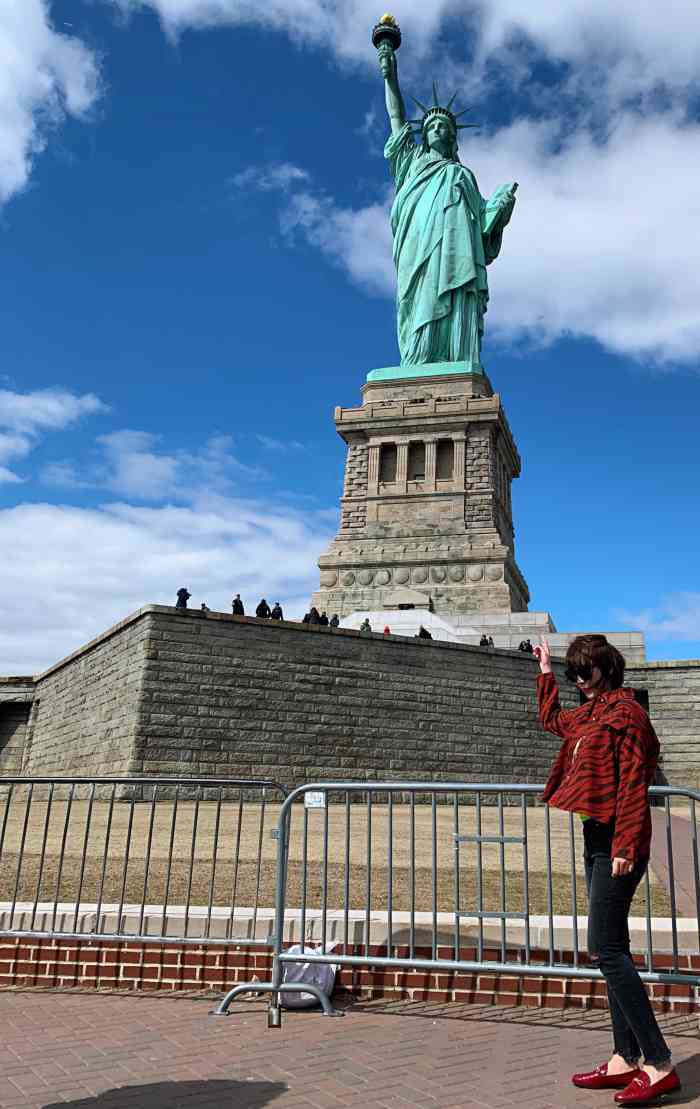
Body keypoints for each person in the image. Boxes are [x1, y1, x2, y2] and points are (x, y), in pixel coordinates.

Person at [534, 634, 679, 1105]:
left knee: (605, 948)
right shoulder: (591, 713)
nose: (579, 678)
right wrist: (544, 672)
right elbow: (553, 720)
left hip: (619, 839)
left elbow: (635, 783)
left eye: (585, 670)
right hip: (596, 835)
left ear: (606, 668)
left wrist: (626, 844)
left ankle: (657, 1064)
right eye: (573, 671)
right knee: (610, 946)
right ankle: (624, 1057)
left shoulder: (627, 715)